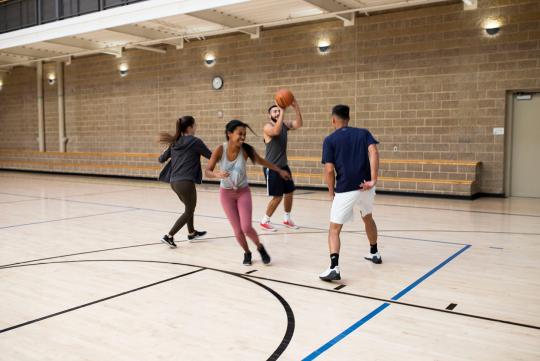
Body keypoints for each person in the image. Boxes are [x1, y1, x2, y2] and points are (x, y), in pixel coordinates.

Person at [205, 120, 291, 265]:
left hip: (242, 192)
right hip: (226, 194)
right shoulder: (220, 149)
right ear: (229, 134)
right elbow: (207, 171)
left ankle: (260, 247)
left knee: (246, 227)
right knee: (237, 231)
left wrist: (279, 170)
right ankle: (247, 252)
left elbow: (263, 161)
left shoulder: (245, 150)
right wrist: (216, 175)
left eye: (244, 134)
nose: (243, 137)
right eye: (240, 134)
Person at [318, 105, 381, 281]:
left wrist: (332, 193)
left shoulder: (330, 140)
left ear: (333, 119)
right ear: (348, 118)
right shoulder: (363, 133)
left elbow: (329, 170)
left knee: (334, 230)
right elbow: (374, 151)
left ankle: (334, 267)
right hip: (365, 187)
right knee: (367, 217)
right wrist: (373, 180)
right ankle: (374, 253)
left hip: (346, 189)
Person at [158, 116, 212, 248]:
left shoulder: (175, 142)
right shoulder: (195, 141)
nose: (196, 127)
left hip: (174, 182)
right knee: (189, 210)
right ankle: (169, 236)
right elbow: (211, 156)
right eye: (195, 125)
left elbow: (161, 159)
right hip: (185, 182)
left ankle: (192, 232)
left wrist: (168, 151)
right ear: (190, 127)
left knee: (189, 208)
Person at [260, 100, 303, 231]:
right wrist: (283, 110)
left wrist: (296, 108)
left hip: (284, 166)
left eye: (278, 110)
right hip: (272, 167)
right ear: (269, 115)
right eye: (275, 111)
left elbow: (299, 124)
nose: (277, 112)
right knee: (278, 197)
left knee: (289, 192)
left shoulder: (284, 125)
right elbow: (276, 131)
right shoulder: (267, 127)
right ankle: (265, 221)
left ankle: (287, 218)